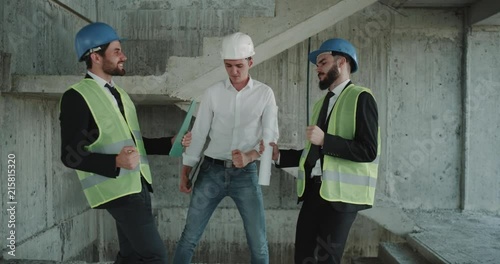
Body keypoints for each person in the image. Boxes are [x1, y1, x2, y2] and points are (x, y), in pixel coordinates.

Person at [59, 22, 191, 264]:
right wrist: (116, 161)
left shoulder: (120, 95)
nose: (124, 57)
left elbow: (134, 142)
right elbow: (70, 156)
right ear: (95, 56)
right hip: (117, 190)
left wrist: (169, 143)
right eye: (117, 51)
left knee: (132, 255)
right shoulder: (77, 97)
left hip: (137, 185)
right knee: (155, 256)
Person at [267, 38, 380, 264]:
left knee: (326, 261)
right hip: (315, 193)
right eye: (317, 64)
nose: (317, 68)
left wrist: (325, 140)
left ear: (342, 62)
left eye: (323, 62)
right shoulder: (321, 104)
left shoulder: (361, 97)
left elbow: (368, 150)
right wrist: (280, 156)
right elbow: (314, 153)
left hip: (341, 199)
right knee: (303, 257)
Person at [173, 32, 279, 264]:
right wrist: (185, 171)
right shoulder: (212, 93)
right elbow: (199, 134)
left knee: (258, 243)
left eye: (239, 65)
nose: (234, 71)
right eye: (228, 66)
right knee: (189, 236)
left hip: (246, 175)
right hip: (211, 172)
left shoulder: (264, 94)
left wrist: (250, 156)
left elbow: (271, 141)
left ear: (250, 62)